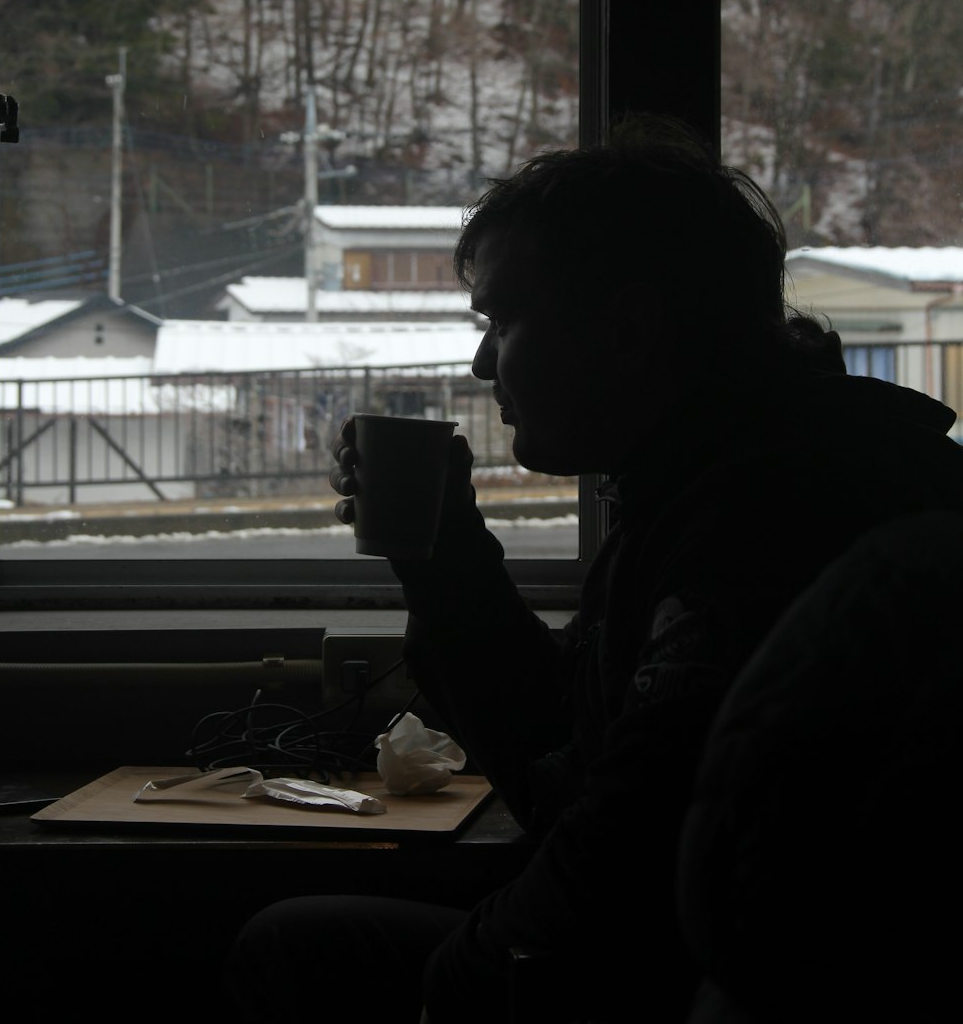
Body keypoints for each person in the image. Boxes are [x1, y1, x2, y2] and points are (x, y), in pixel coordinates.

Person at [227, 115, 963, 1023]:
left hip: (684, 973)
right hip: (682, 955)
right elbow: (559, 745)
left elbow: (623, 846)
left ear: (625, 328)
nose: (481, 361)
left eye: (504, 319)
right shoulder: (726, 478)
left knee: (294, 948)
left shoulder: (764, 520)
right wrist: (444, 550)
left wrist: (456, 986)